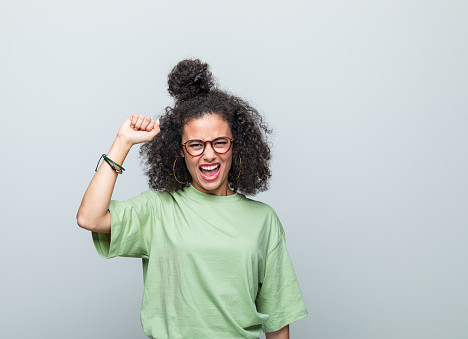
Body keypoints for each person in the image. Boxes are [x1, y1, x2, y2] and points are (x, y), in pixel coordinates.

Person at [77, 59, 308, 339]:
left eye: (219, 142)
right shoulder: (158, 210)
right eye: (196, 145)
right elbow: (89, 218)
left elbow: (278, 319)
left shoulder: (264, 220)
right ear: (181, 152)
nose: (209, 155)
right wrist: (122, 142)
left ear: (237, 146)